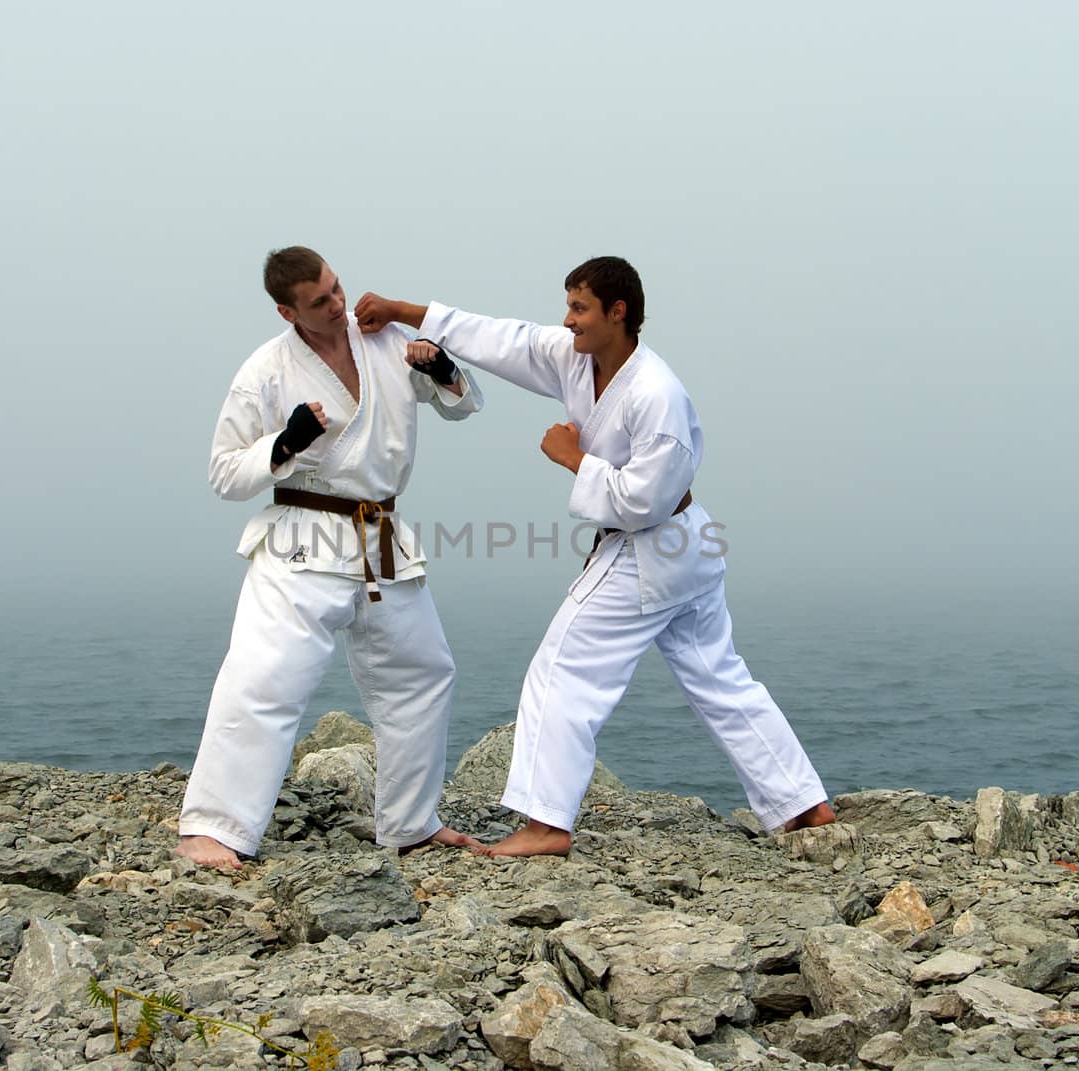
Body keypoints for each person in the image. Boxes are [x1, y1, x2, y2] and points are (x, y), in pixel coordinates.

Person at [354, 257, 835, 857]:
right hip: (685, 548)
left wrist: (572, 458)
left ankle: (546, 824)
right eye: (568, 306)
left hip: (653, 544)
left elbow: (642, 502)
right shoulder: (578, 358)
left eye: (579, 308)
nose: (567, 319)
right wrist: (403, 311)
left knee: (563, 672)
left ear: (618, 312)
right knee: (719, 678)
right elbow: (506, 338)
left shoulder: (656, 394)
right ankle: (801, 802)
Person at [175, 246, 485, 870]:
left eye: (337, 287)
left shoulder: (385, 338)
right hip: (303, 534)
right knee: (265, 677)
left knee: (422, 675)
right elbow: (223, 474)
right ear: (287, 310)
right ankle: (212, 829)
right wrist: (285, 442)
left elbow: (461, 402)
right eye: (321, 301)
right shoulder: (263, 372)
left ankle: (411, 823)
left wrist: (443, 367)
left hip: (381, 535)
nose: (339, 304)